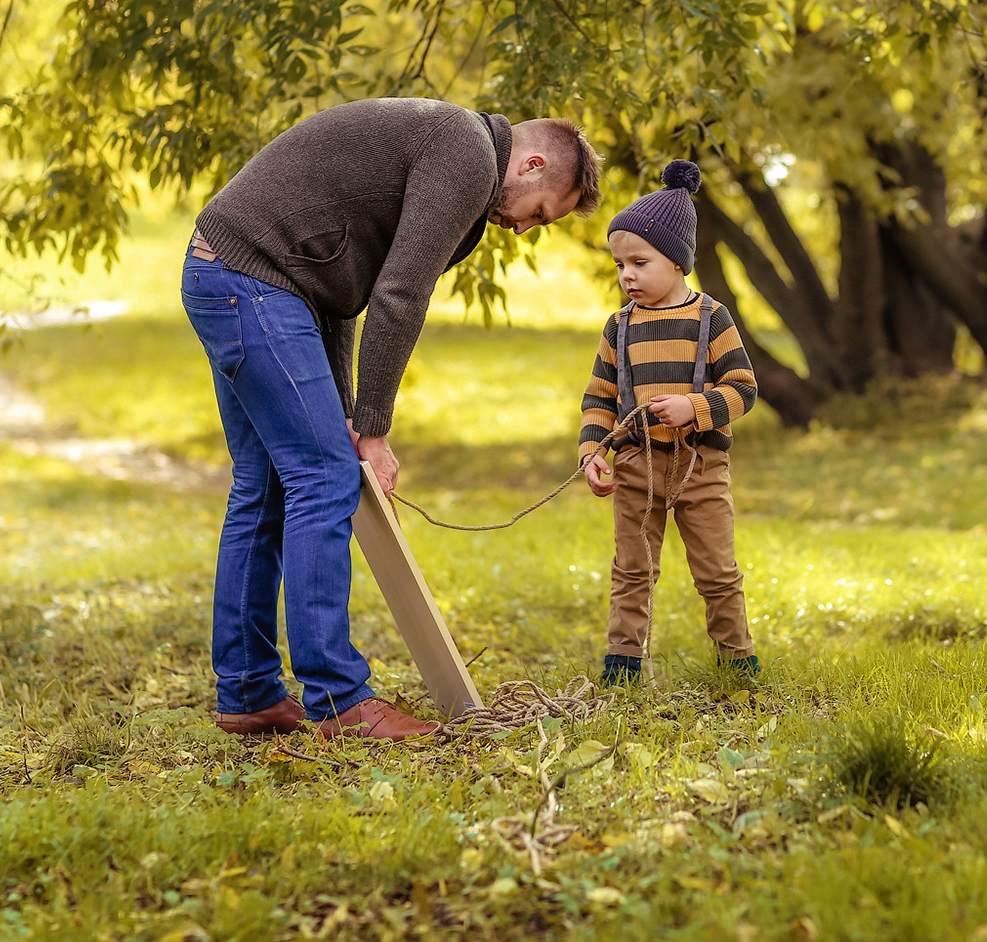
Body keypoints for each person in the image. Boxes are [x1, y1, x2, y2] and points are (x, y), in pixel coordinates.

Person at [183, 98, 600, 740]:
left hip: (242, 277)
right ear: (532, 162)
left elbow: (343, 299)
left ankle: (247, 693)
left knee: (266, 485)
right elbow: (399, 296)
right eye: (539, 212)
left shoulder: (464, 173)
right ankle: (339, 702)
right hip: (252, 279)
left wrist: (352, 413)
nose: (525, 228)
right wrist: (372, 429)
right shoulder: (465, 152)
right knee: (324, 479)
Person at [578, 161, 760, 686]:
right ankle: (623, 667)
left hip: (701, 467)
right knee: (632, 570)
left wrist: (694, 407)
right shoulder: (619, 326)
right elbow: (600, 397)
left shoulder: (712, 318)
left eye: (639, 262)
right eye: (619, 265)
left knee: (718, 572)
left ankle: (737, 661)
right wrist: (593, 452)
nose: (627, 275)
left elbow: (744, 389)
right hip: (637, 466)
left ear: (678, 262)